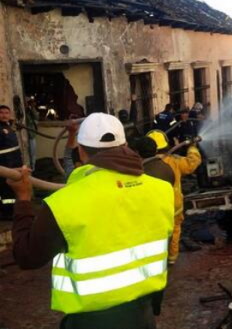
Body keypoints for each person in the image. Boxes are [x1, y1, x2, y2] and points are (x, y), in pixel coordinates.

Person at [8, 113, 175, 329]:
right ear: (124, 145)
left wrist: (22, 200)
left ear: (82, 151)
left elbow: (27, 256)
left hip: (90, 322)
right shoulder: (162, 190)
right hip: (143, 316)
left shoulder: (64, 202)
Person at [147, 129, 201, 265]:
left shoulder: (143, 163)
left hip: (152, 206)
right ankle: (171, 258)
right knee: (174, 230)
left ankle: (154, 258)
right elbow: (192, 164)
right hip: (173, 204)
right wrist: (192, 147)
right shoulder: (174, 160)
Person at [0, 105, 23, 219]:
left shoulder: (9, 127)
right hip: (4, 164)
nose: (4, 115)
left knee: (12, 189)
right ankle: (7, 214)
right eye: (1, 113)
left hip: (14, 163)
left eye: (6, 113)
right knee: (6, 190)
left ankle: (11, 210)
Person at [25, 97, 39, 171]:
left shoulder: (29, 111)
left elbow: (36, 117)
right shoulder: (22, 111)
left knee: (32, 152)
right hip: (25, 134)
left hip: (31, 135)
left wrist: (32, 107)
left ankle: (32, 169)